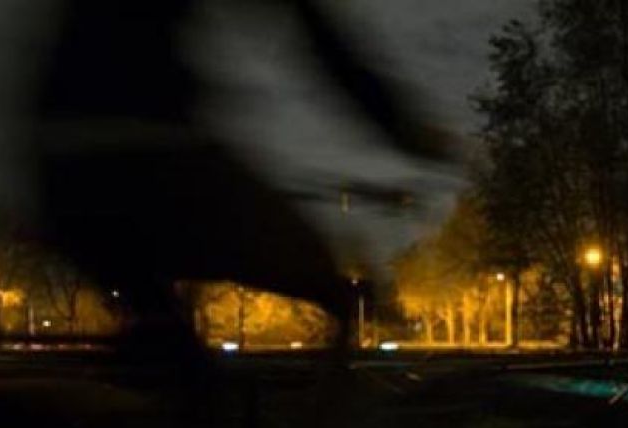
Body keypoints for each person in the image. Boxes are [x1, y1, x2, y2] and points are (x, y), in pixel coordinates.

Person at [30, 0, 450, 359]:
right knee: (337, 293)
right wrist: (407, 132)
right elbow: (327, 51)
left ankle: (161, 391)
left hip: (57, 174)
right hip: (156, 161)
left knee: (164, 334)